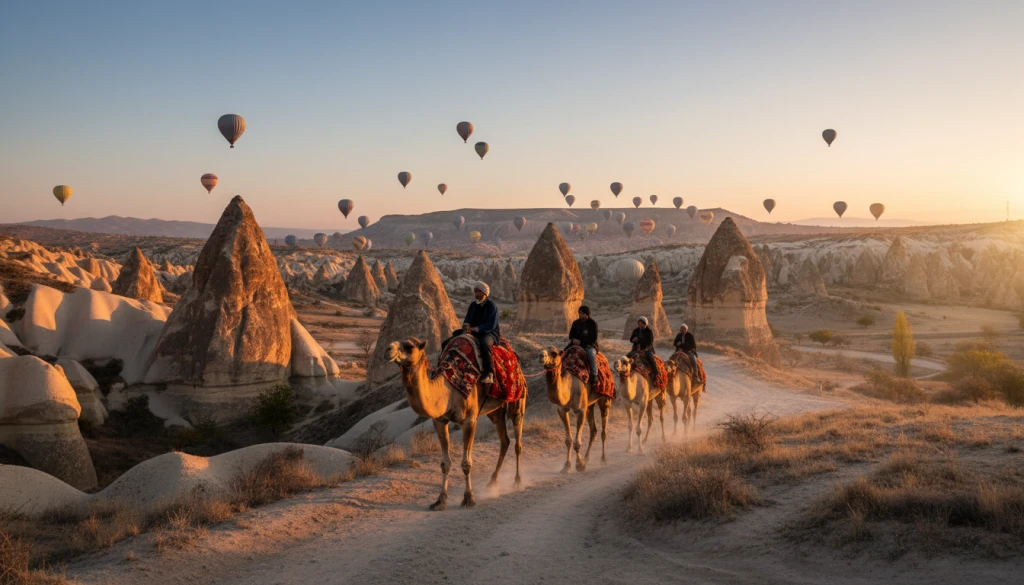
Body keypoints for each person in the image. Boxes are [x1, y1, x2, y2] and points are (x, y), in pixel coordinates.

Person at [441, 281, 500, 384]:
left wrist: (476, 329)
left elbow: (491, 324)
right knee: (447, 342)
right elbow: (467, 319)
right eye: (475, 291)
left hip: (489, 332)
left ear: (484, 293)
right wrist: (466, 326)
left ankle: (489, 373)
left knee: (484, 344)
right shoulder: (473, 305)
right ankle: (441, 367)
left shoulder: (491, 306)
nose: (476, 294)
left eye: (478, 291)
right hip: (473, 331)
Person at [566, 305, 599, 390]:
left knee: (591, 355)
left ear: (587, 314)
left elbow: (593, 338)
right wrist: (574, 340)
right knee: (564, 353)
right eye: (579, 313)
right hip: (576, 345)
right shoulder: (575, 323)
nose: (580, 315)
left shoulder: (592, 323)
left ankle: (594, 375)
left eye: (582, 313)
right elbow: (571, 335)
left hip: (589, 345)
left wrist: (581, 342)